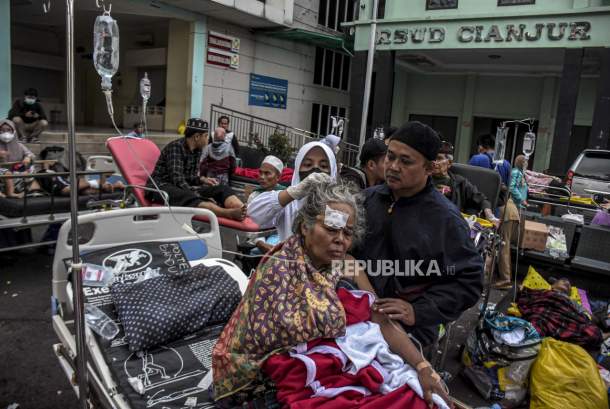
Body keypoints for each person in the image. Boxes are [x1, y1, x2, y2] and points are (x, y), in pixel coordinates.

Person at [213, 181, 452, 408]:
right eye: (331, 228)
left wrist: (422, 366)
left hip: (336, 361)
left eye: (347, 233)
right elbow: (284, 339)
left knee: (416, 394)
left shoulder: (345, 265)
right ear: (305, 226)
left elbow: (379, 317)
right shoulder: (281, 268)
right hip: (275, 373)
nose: (339, 239)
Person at [354, 121, 484, 347]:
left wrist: (419, 310)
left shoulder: (446, 220)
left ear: (429, 168)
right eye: (390, 157)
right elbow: (344, 258)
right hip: (356, 312)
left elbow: (469, 280)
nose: (393, 166)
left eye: (405, 161)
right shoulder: (365, 201)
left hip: (410, 329)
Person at [146, 118, 246, 221]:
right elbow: (177, 180)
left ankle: (242, 208)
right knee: (190, 196)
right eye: (206, 136)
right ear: (197, 137)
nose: (208, 139)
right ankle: (227, 213)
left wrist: (203, 179)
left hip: (182, 187)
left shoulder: (197, 150)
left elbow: (190, 177)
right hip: (161, 187)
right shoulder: (176, 148)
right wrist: (199, 195)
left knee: (222, 188)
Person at [247, 141, 337, 241]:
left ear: (332, 171)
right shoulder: (288, 204)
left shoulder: (340, 205)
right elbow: (253, 214)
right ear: (298, 168)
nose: (315, 170)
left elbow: (342, 235)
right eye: (308, 164)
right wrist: (295, 192)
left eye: (324, 166)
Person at [431, 145, 499, 227]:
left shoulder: (459, 182)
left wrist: (490, 216)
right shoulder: (423, 180)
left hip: (451, 226)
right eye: (433, 158)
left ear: (449, 163)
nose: (434, 162)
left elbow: (482, 199)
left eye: (439, 158)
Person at [245, 155, 285, 255]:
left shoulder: (285, 197)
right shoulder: (254, 196)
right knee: (256, 252)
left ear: (278, 177)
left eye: (267, 173)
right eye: (260, 172)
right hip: (257, 235)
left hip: (280, 235)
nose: (262, 177)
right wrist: (259, 242)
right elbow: (249, 222)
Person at [0, 119, 38, 197]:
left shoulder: (19, 145)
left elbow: (30, 154)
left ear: (14, 131)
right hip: (2, 174)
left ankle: (26, 189)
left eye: (8, 130)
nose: (6, 133)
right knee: (7, 173)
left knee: (31, 169)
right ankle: (10, 193)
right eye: (2, 130)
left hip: (16, 172)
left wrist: (27, 157)